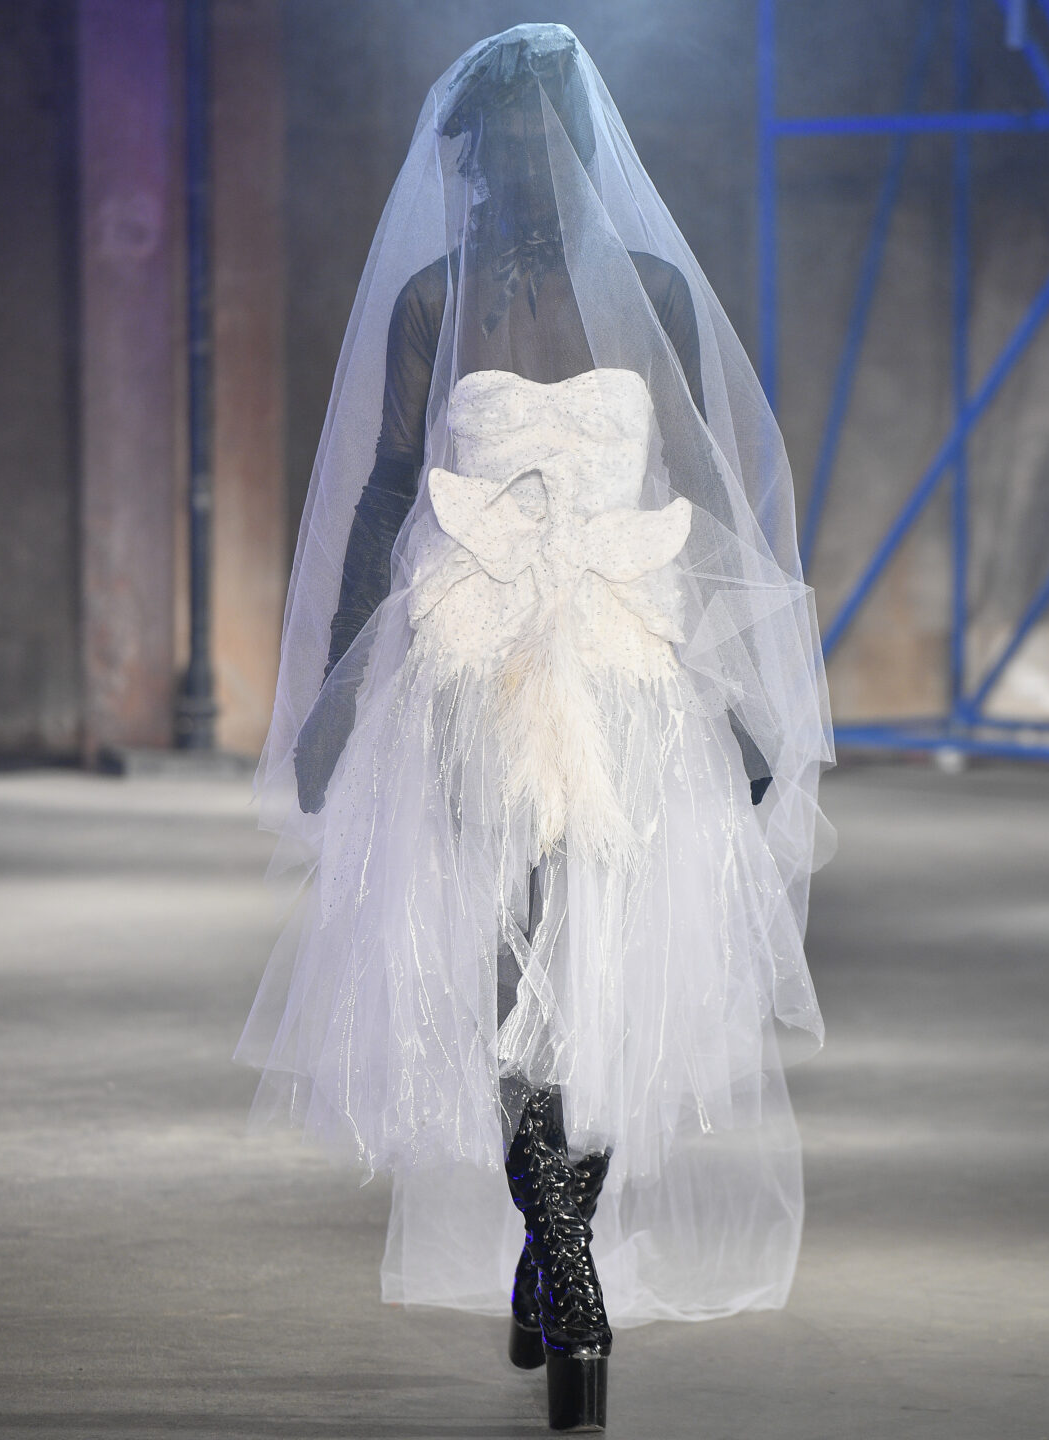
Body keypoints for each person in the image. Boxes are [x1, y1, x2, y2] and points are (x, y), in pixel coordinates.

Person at [236, 23, 834, 1433]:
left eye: (534, 141)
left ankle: (553, 1256)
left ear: (566, 150)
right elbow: (390, 489)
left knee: (601, 963)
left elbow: (705, 494)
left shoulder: (649, 298)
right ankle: (569, 1270)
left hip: (622, 657)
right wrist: (337, 686)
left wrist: (740, 690)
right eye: (501, 146)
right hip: (474, 661)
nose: (518, 164)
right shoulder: (434, 302)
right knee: (516, 958)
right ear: (478, 159)